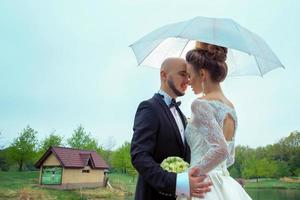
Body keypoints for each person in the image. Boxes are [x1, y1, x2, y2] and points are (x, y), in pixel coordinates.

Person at [130, 57, 212, 200]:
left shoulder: (182, 115)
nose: (187, 80)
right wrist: (178, 184)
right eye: (182, 74)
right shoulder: (149, 108)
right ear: (163, 75)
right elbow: (139, 156)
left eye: (188, 75)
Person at [184, 41, 252, 199]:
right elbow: (230, 158)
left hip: (203, 185)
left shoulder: (200, 105)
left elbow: (222, 150)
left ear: (202, 74)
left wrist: (189, 175)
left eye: (189, 75)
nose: (188, 81)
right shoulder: (230, 107)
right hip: (225, 183)